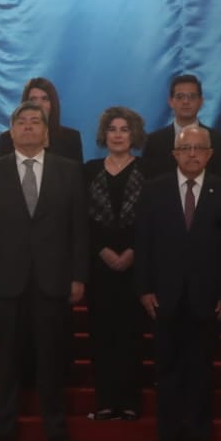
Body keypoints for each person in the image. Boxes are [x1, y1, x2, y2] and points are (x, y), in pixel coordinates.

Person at [0, 102, 88, 441]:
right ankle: (3, 431)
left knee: (51, 361)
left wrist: (78, 275)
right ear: (12, 131)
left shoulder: (69, 171)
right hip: (6, 284)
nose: (29, 127)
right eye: (22, 122)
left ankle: (57, 432)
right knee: (7, 361)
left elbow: (78, 229)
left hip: (53, 282)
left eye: (36, 122)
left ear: (47, 133)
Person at [136, 125, 221, 441]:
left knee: (200, 369)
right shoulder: (155, 190)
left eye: (199, 148)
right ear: (175, 155)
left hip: (207, 298)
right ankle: (168, 436)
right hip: (164, 297)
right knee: (166, 370)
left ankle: (199, 436)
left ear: (210, 154)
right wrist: (144, 289)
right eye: (186, 149)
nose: (193, 154)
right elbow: (144, 244)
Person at [83, 106, 150, 422]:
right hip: (99, 268)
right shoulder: (89, 170)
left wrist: (133, 252)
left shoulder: (149, 171)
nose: (119, 135)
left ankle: (130, 402)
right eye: (113, 129)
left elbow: (154, 221)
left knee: (132, 336)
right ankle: (106, 402)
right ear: (104, 135)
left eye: (124, 129)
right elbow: (81, 220)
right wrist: (103, 251)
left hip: (137, 267)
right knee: (102, 335)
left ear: (133, 134)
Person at [140, 74, 221, 181]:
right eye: (180, 97)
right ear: (171, 102)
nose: (186, 102)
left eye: (192, 96)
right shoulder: (154, 141)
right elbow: (148, 181)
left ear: (201, 101)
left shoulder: (218, 140)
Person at [0, 77, 84, 164]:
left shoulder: (71, 138)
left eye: (45, 99)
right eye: (33, 99)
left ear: (53, 103)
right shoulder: (6, 139)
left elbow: (77, 176)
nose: (39, 104)